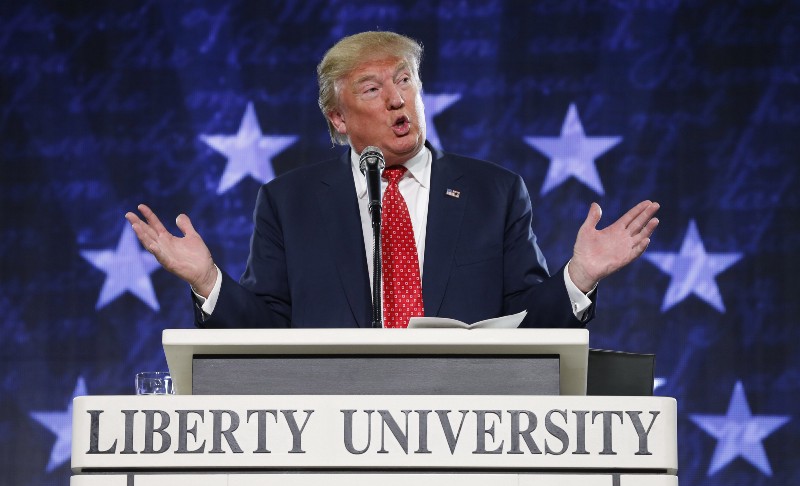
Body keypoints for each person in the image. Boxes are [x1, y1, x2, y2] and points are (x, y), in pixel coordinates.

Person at [125, 31, 659, 329]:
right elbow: (266, 329)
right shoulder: (289, 202)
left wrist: (579, 276)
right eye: (372, 88)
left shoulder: (494, 192)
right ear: (338, 118)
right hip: (330, 438)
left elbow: (527, 325)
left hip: (464, 436)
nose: (398, 98)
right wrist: (207, 282)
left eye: (405, 79)